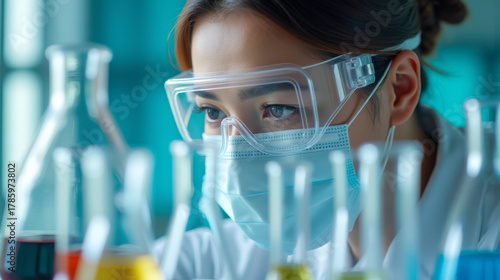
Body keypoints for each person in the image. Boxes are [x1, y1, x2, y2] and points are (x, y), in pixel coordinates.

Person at [156, 0, 500, 279]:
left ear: (399, 90)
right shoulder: (225, 260)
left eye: (278, 108)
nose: (236, 157)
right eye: (213, 113)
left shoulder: (489, 237)